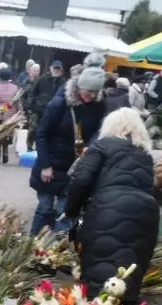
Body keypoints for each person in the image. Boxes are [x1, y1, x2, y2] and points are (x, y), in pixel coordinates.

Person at [65, 108, 158, 305]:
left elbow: (80, 180)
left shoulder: (101, 146)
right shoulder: (144, 155)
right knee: (129, 268)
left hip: (106, 209)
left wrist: (71, 210)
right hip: (144, 216)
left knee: (99, 266)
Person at [29, 53, 107, 236]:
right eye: (88, 91)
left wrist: (92, 144)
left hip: (75, 167)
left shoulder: (98, 104)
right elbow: (41, 134)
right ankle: (32, 244)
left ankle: (56, 253)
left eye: (95, 93)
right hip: (51, 165)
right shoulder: (59, 103)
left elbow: (99, 129)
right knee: (45, 208)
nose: (91, 96)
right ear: (80, 86)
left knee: (66, 212)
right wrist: (46, 165)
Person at [27, 60, 65, 156]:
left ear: (61, 70)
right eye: (55, 68)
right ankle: (29, 147)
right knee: (33, 129)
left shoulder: (63, 82)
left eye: (58, 68)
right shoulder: (41, 79)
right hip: (38, 109)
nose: (56, 70)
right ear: (51, 68)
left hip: (53, 111)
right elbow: (32, 92)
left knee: (47, 131)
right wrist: (30, 106)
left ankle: (42, 149)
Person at [22, 63, 41, 151]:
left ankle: (30, 146)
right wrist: (25, 107)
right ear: (30, 71)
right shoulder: (26, 81)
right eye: (34, 70)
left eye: (37, 71)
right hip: (26, 108)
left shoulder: (41, 81)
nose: (36, 72)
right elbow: (22, 96)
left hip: (36, 109)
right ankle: (24, 145)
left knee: (34, 129)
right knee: (26, 128)